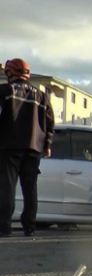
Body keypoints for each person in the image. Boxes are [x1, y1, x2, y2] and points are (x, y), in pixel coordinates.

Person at [0, 58, 55, 237]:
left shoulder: (5, 91)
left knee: (7, 187)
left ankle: (4, 227)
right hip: (34, 148)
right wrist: (47, 145)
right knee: (30, 188)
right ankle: (29, 227)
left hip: (9, 146)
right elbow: (50, 122)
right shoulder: (41, 95)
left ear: (10, 73)